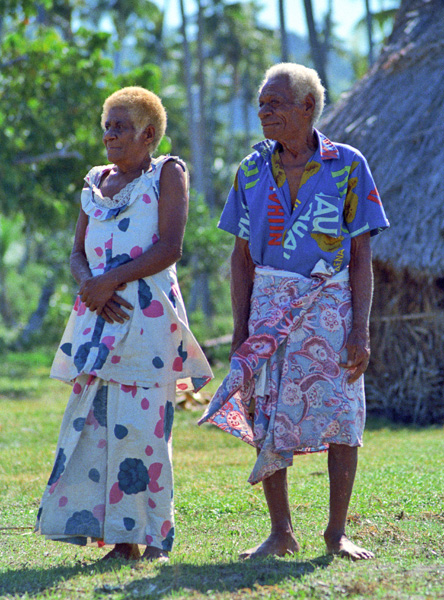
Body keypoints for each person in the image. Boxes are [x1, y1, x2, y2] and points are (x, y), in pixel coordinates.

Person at [199, 63, 389, 561]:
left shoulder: (348, 165)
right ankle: (281, 531)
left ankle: (335, 533)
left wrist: (360, 330)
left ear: (308, 107)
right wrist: (241, 330)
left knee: (344, 416)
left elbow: (363, 255)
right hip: (267, 309)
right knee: (266, 417)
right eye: (262, 102)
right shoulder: (250, 170)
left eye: (276, 102)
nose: (265, 110)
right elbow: (240, 257)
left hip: (331, 310)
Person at [35, 86, 213, 561]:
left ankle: (147, 538)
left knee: (144, 432)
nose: (110, 135)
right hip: (97, 323)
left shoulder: (167, 174)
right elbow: (77, 252)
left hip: (146, 324)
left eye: (121, 126)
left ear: (148, 133)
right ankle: (116, 539)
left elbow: (169, 247)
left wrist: (109, 282)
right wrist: (90, 285)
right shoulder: (96, 180)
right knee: (94, 427)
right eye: (107, 126)